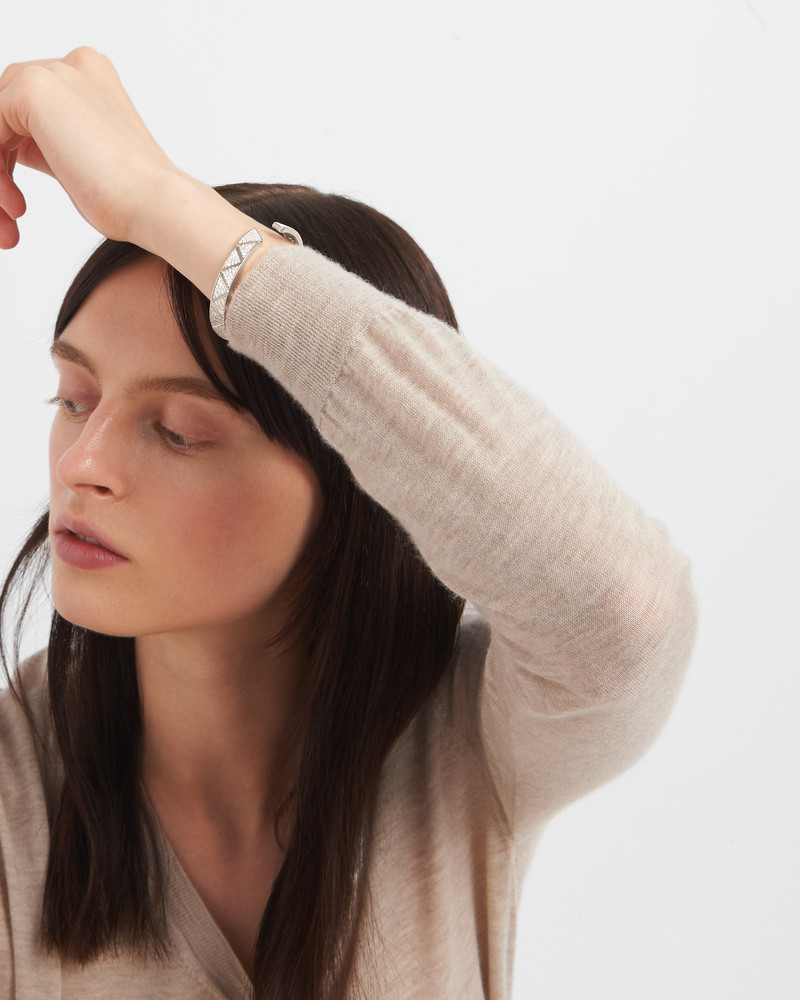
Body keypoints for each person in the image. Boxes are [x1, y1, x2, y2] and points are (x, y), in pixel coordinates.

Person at [0, 48, 698, 1000]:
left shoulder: (463, 749)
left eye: (177, 429)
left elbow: (627, 611)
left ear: (368, 464)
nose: (81, 468)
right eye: (74, 398)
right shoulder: (16, 793)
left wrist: (162, 203)